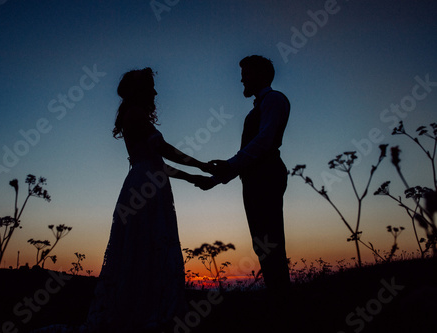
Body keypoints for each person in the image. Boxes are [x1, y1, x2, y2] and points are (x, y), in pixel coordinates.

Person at [31, 67, 210, 333]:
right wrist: (202, 167)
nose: (156, 92)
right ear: (140, 91)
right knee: (144, 245)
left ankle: (145, 310)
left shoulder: (134, 115)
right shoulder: (135, 114)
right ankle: (143, 314)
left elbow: (158, 163)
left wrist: (194, 177)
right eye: (151, 88)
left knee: (145, 247)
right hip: (144, 188)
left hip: (149, 182)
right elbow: (164, 151)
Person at [196, 55, 291, 324]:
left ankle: (282, 306)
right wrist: (216, 179)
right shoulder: (256, 108)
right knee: (262, 242)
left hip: (267, 176)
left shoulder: (275, 100)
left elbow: (263, 142)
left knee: (271, 240)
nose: (241, 79)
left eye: (246, 73)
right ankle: (279, 302)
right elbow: (247, 153)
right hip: (253, 178)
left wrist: (227, 166)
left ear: (261, 75)